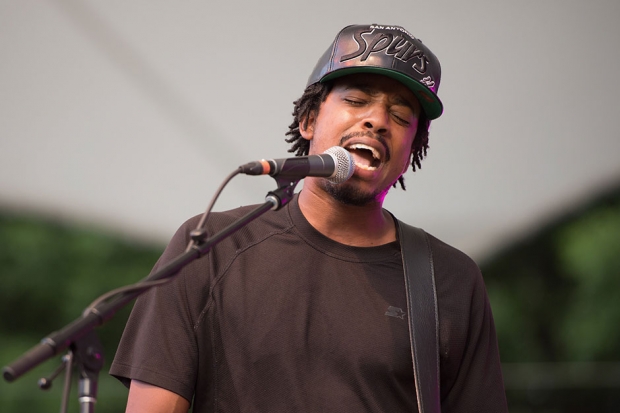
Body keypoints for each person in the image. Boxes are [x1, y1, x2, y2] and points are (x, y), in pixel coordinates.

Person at [110, 24, 509, 413]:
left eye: (401, 117)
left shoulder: (451, 279)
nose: (377, 121)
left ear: (411, 153)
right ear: (309, 121)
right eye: (356, 101)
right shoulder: (209, 246)